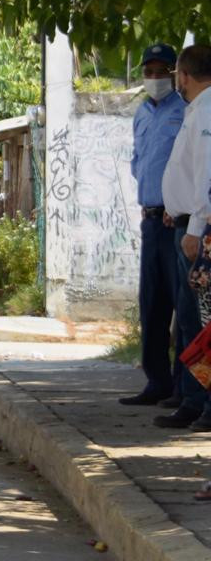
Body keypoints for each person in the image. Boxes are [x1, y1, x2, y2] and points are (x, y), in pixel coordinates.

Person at [121, 44, 185, 407]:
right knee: (153, 303)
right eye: (150, 72)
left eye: (163, 72)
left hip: (177, 219)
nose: (155, 78)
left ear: (176, 75)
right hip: (150, 218)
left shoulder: (186, 112)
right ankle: (156, 380)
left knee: (182, 303)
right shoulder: (141, 113)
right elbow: (138, 160)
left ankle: (183, 385)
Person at [161, 44, 211, 432]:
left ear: (184, 75)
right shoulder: (197, 110)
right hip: (184, 224)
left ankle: (200, 402)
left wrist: (195, 229)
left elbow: (207, 179)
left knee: (198, 323)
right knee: (189, 320)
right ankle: (192, 398)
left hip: (198, 231)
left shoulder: (206, 110)